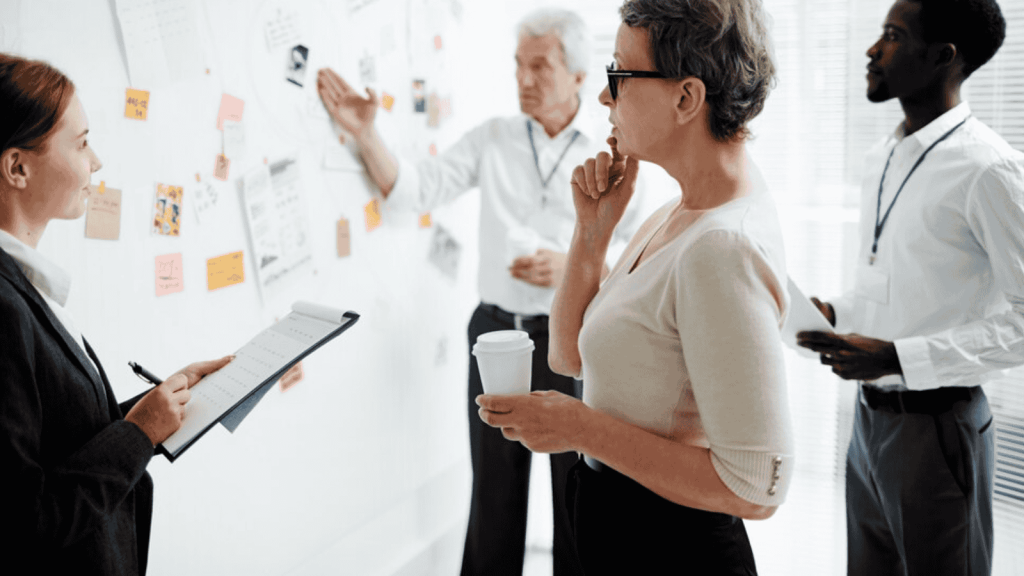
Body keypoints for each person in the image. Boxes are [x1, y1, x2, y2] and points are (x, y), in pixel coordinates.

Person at [316, 9, 648, 576]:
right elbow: (417, 189)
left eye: (539, 66)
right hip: (496, 333)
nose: (523, 79)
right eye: (518, 66)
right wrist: (367, 132)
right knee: (494, 489)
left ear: (576, 74)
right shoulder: (494, 137)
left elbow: (637, 258)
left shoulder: (613, 146)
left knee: (577, 485)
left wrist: (575, 263)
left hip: (573, 338)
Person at [477, 1, 793, 574]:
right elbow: (568, 355)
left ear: (686, 98)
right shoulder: (679, 211)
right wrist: (592, 235)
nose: (604, 97)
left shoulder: (719, 246)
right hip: (619, 524)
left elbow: (755, 488)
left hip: (670, 547)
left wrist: (577, 426)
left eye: (619, 76)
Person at [796, 1, 1022, 574]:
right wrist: (834, 312)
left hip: (939, 432)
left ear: (942, 57)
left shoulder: (988, 169)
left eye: (893, 36)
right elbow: (891, 285)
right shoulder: (884, 157)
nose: (873, 50)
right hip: (869, 424)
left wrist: (899, 356)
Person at [0, 54, 233, 575]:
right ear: (18, 167)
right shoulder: (4, 308)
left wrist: (152, 406)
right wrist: (138, 433)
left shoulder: (23, 286)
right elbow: (23, 521)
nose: (96, 162)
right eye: (82, 144)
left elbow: (55, 435)